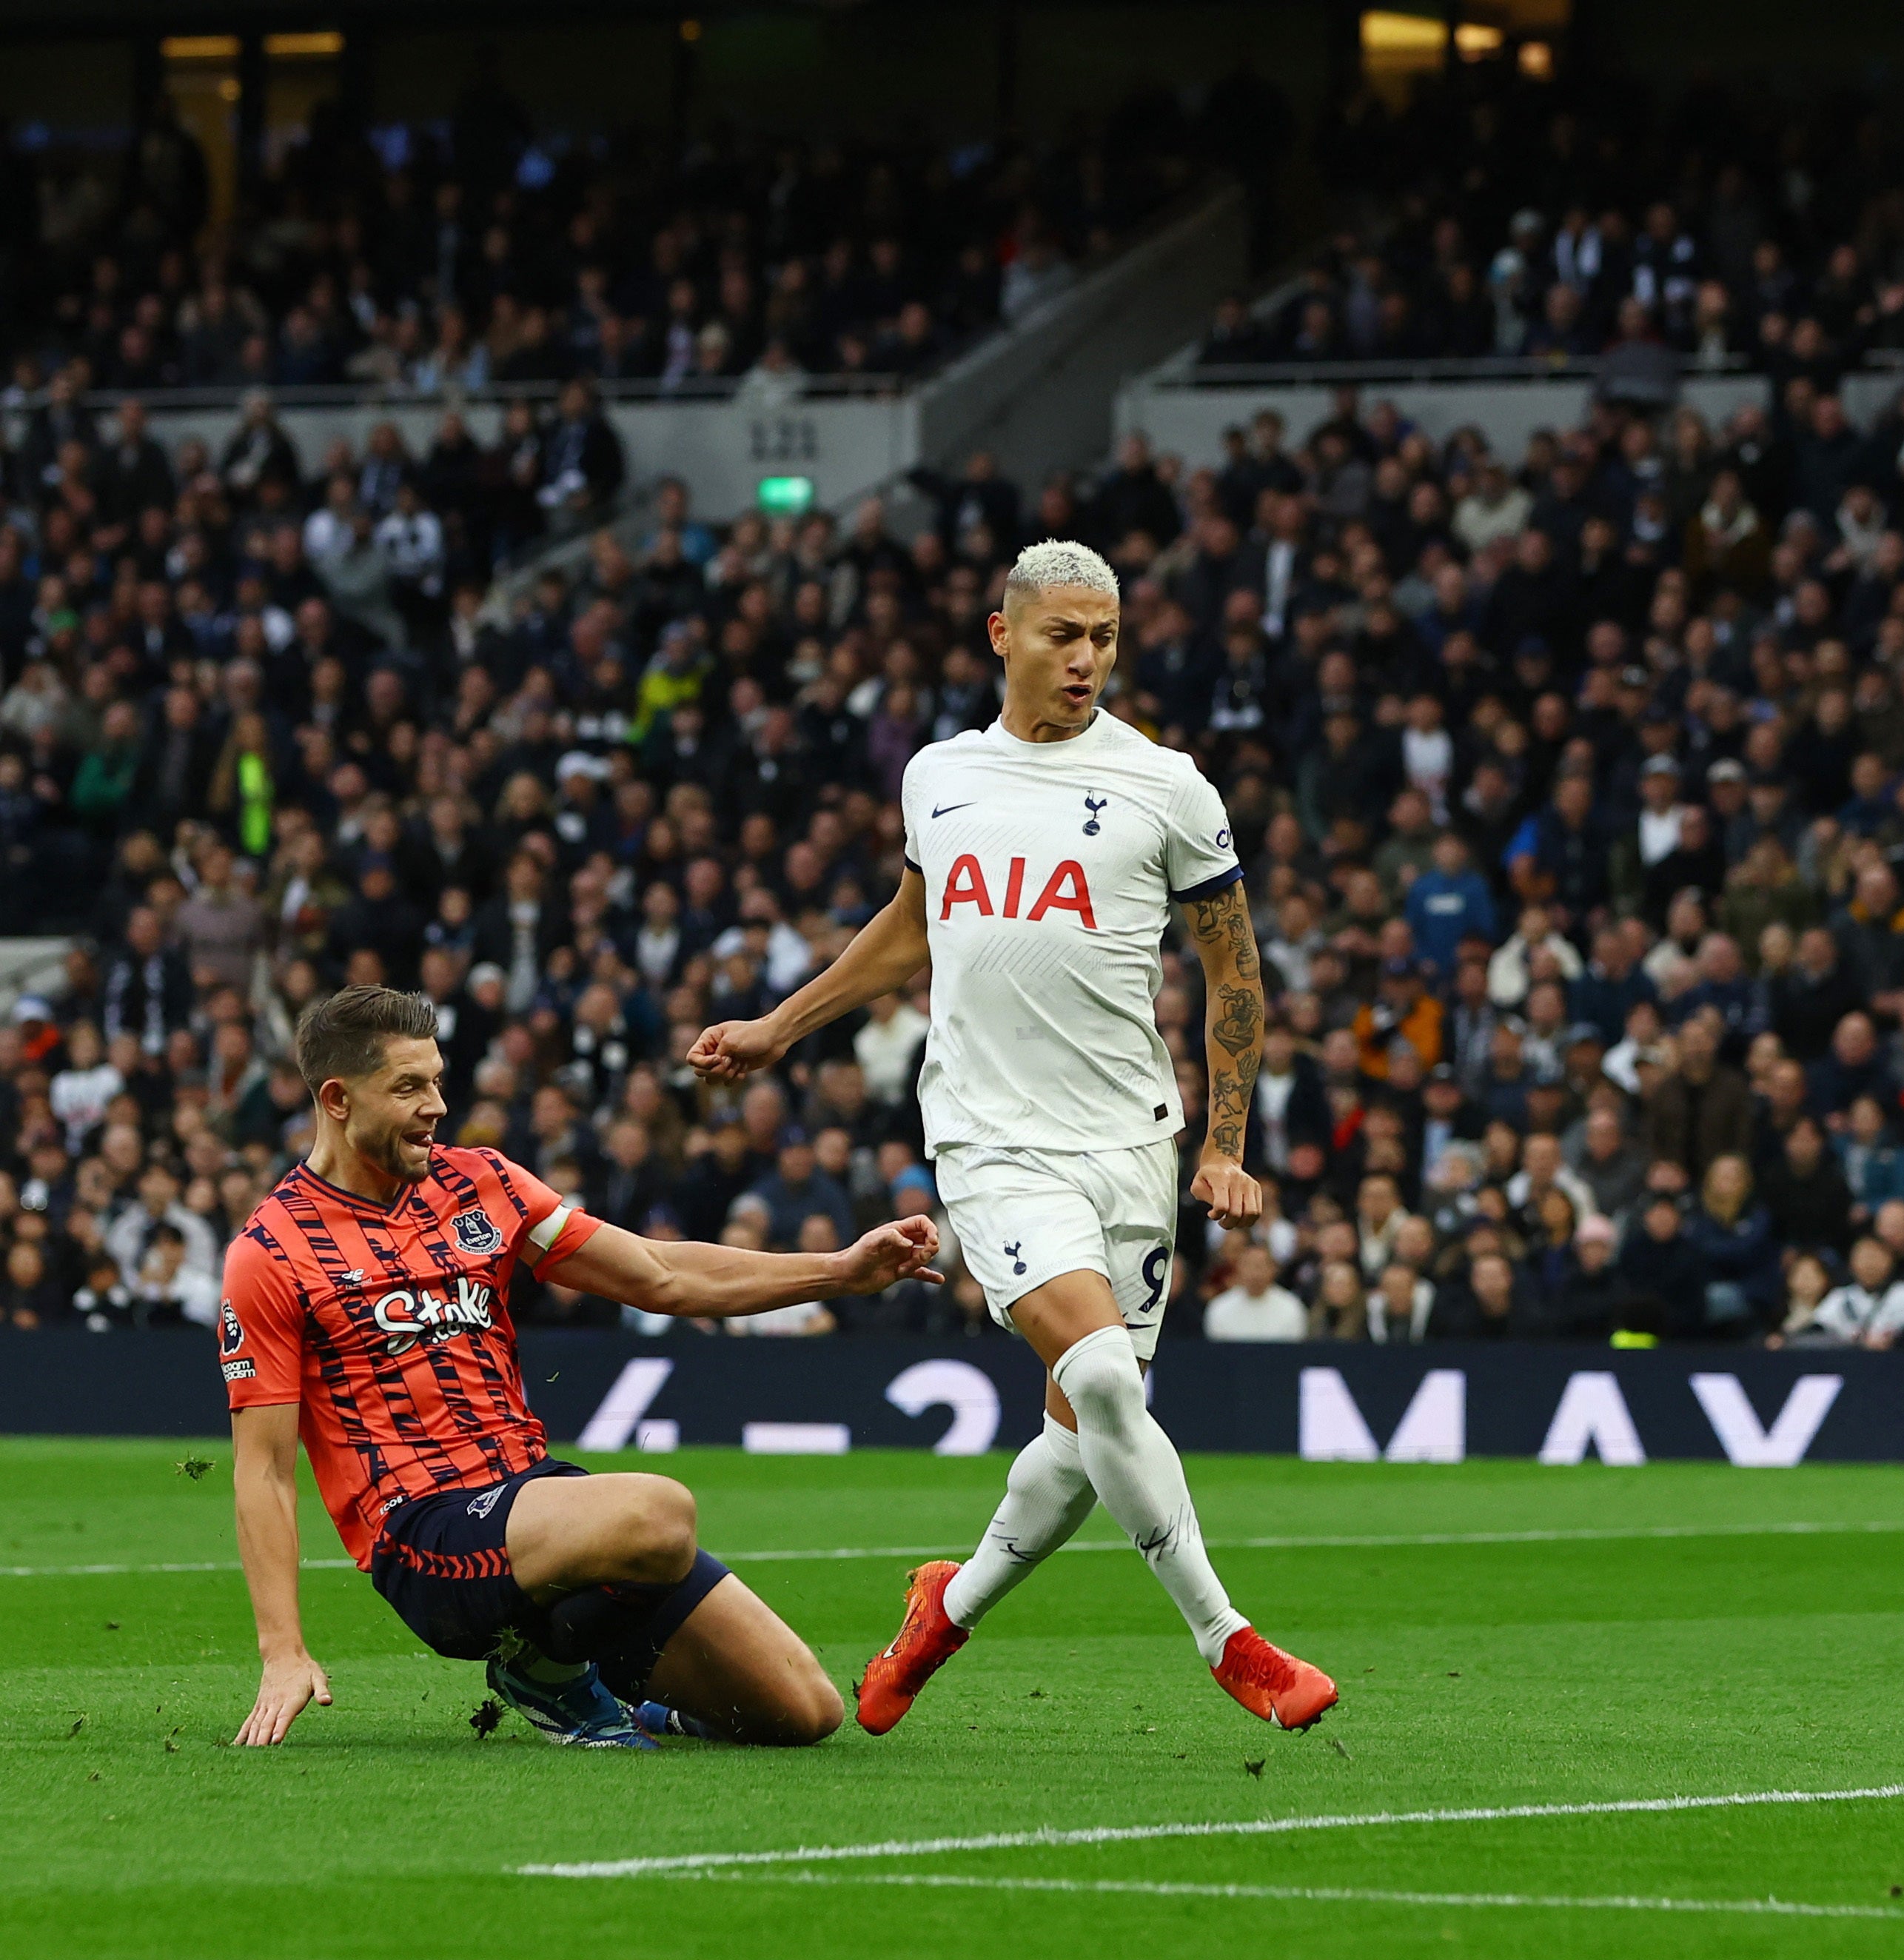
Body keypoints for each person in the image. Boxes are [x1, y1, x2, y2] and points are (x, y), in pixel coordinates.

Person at [688, 540, 1336, 1738]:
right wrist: (781, 1027)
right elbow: (908, 928)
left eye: (1103, 638)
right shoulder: (940, 775)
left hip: (1130, 1143)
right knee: (1098, 1377)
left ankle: (948, 1605)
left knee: (1082, 1428)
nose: (1085, 659)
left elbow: (1231, 969)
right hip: (992, 1140)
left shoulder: (1169, 788)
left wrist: (1224, 1145)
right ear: (1004, 635)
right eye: (1062, 636)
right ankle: (1227, 1638)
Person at [226, 986, 945, 1750]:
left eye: (436, 1080)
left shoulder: (482, 1182)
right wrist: (283, 1652)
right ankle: (544, 1671)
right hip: (424, 1532)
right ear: (336, 1099)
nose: (435, 1104)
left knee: (804, 1713)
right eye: (408, 1087)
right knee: (657, 1513)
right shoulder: (272, 1252)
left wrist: (839, 1271)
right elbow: (264, 1470)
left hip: (531, 1499)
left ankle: (622, 1691)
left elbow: (658, 1273)